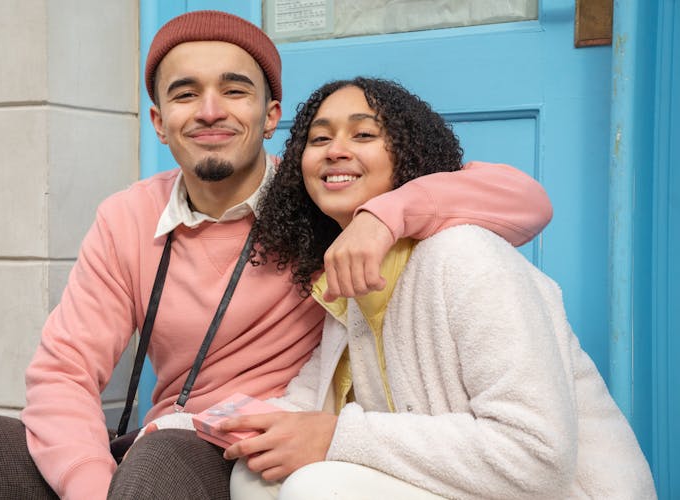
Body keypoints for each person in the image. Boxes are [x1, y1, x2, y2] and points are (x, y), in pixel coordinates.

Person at [0, 12, 552, 500]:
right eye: (185, 94)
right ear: (158, 120)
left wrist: (379, 218)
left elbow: (522, 198)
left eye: (234, 90)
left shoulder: (317, 194)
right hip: (150, 445)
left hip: (243, 451)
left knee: (159, 464)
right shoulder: (127, 216)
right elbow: (64, 373)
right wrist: (94, 484)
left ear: (270, 114)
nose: (209, 111)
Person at [216, 78, 656, 499]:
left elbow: (537, 456)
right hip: (459, 485)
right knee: (257, 478)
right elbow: (302, 405)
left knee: (313, 488)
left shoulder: (465, 256)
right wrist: (193, 422)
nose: (336, 151)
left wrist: (337, 437)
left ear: (407, 153)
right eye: (318, 139)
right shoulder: (347, 289)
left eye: (364, 134)